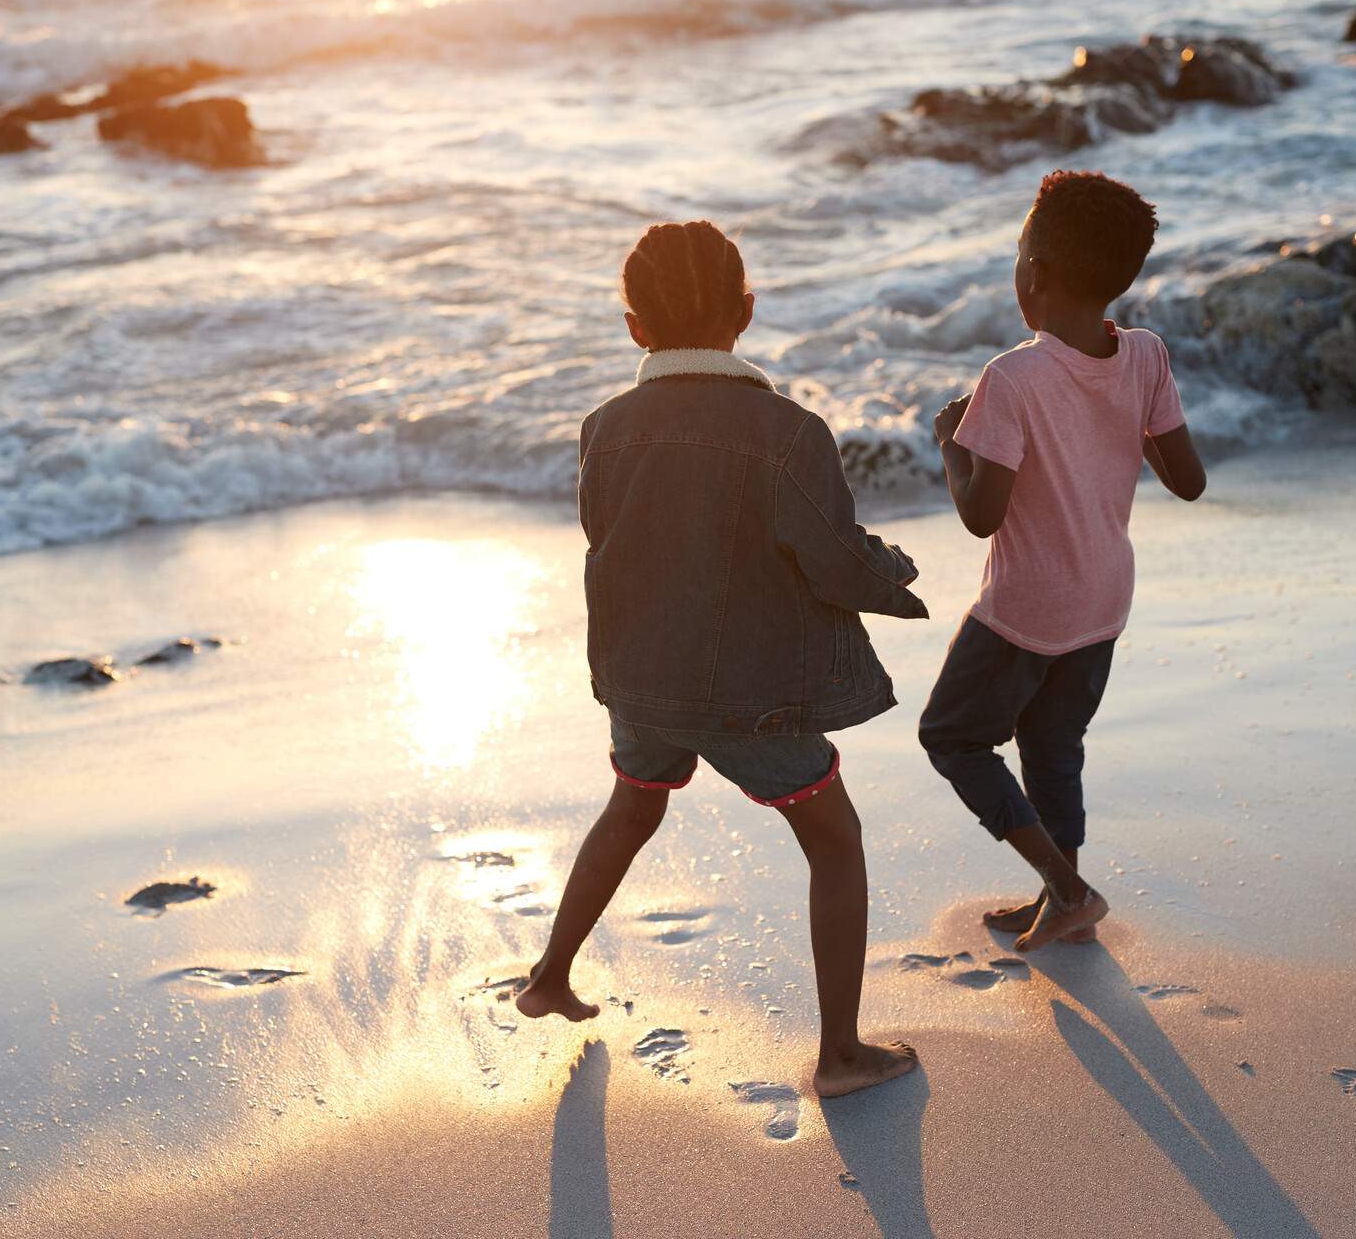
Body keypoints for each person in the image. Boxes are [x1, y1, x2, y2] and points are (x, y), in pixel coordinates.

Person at [517, 219, 926, 1098]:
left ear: (633, 327)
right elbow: (833, 558)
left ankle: (549, 976)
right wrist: (894, 573)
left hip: (641, 680)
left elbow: (605, 538)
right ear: (747, 311)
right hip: (754, 693)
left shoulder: (604, 427)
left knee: (631, 810)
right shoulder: (790, 431)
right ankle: (843, 1053)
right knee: (834, 838)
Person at [919, 170, 1207, 953]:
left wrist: (951, 444)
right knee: (1053, 744)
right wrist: (1120, 416)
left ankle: (1069, 886)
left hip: (1028, 606)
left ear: (1034, 277)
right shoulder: (1145, 355)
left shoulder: (1011, 378)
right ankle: (1061, 896)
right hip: (1104, 596)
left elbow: (981, 516)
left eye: (1019, 257)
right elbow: (1188, 480)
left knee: (951, 736)